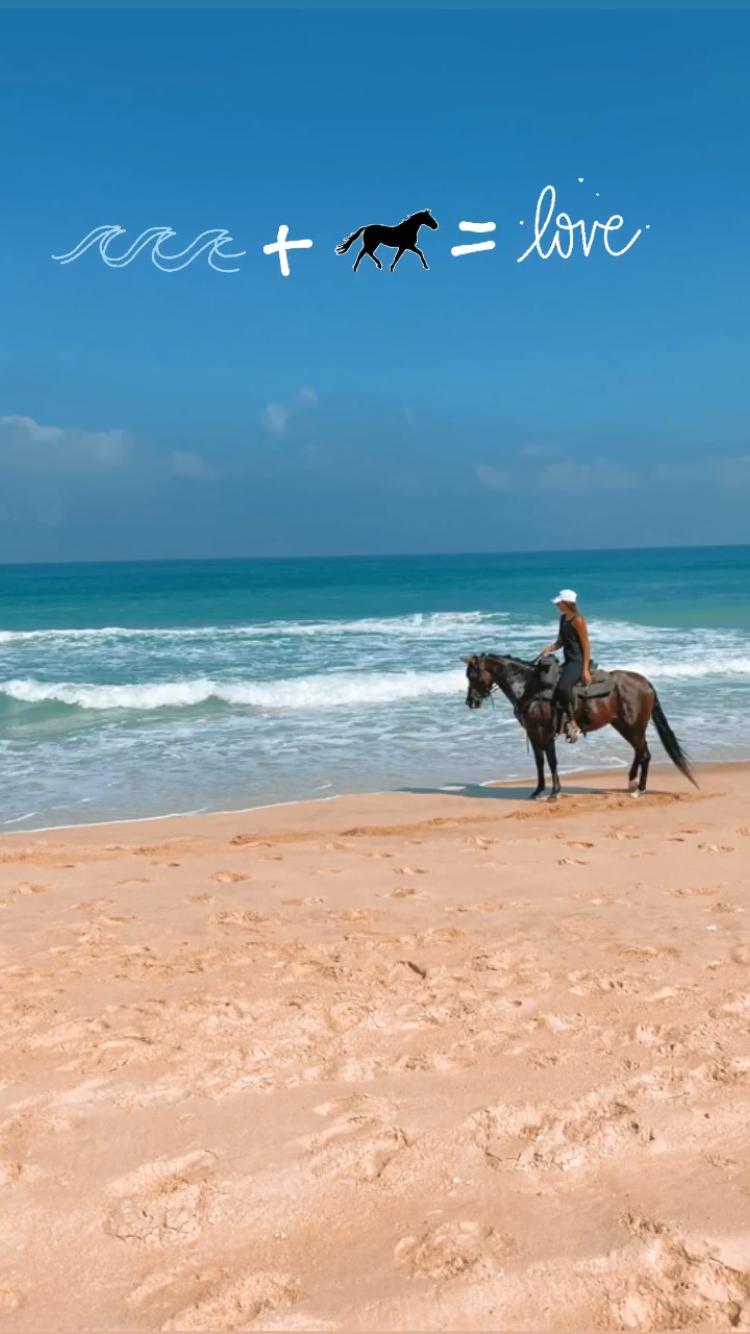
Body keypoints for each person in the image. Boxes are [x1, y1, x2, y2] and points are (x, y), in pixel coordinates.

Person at [540, 588, 592, 742]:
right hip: (568, 660)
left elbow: (586, 645)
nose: (557, 605)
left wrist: (585, 670)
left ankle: (573, 722)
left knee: (563, 687)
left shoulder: (578, 620)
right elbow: (561, 642)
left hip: (578, 661)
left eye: (559, 602)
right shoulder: (563, 619)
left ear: (566, 603)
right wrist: (549, 648)